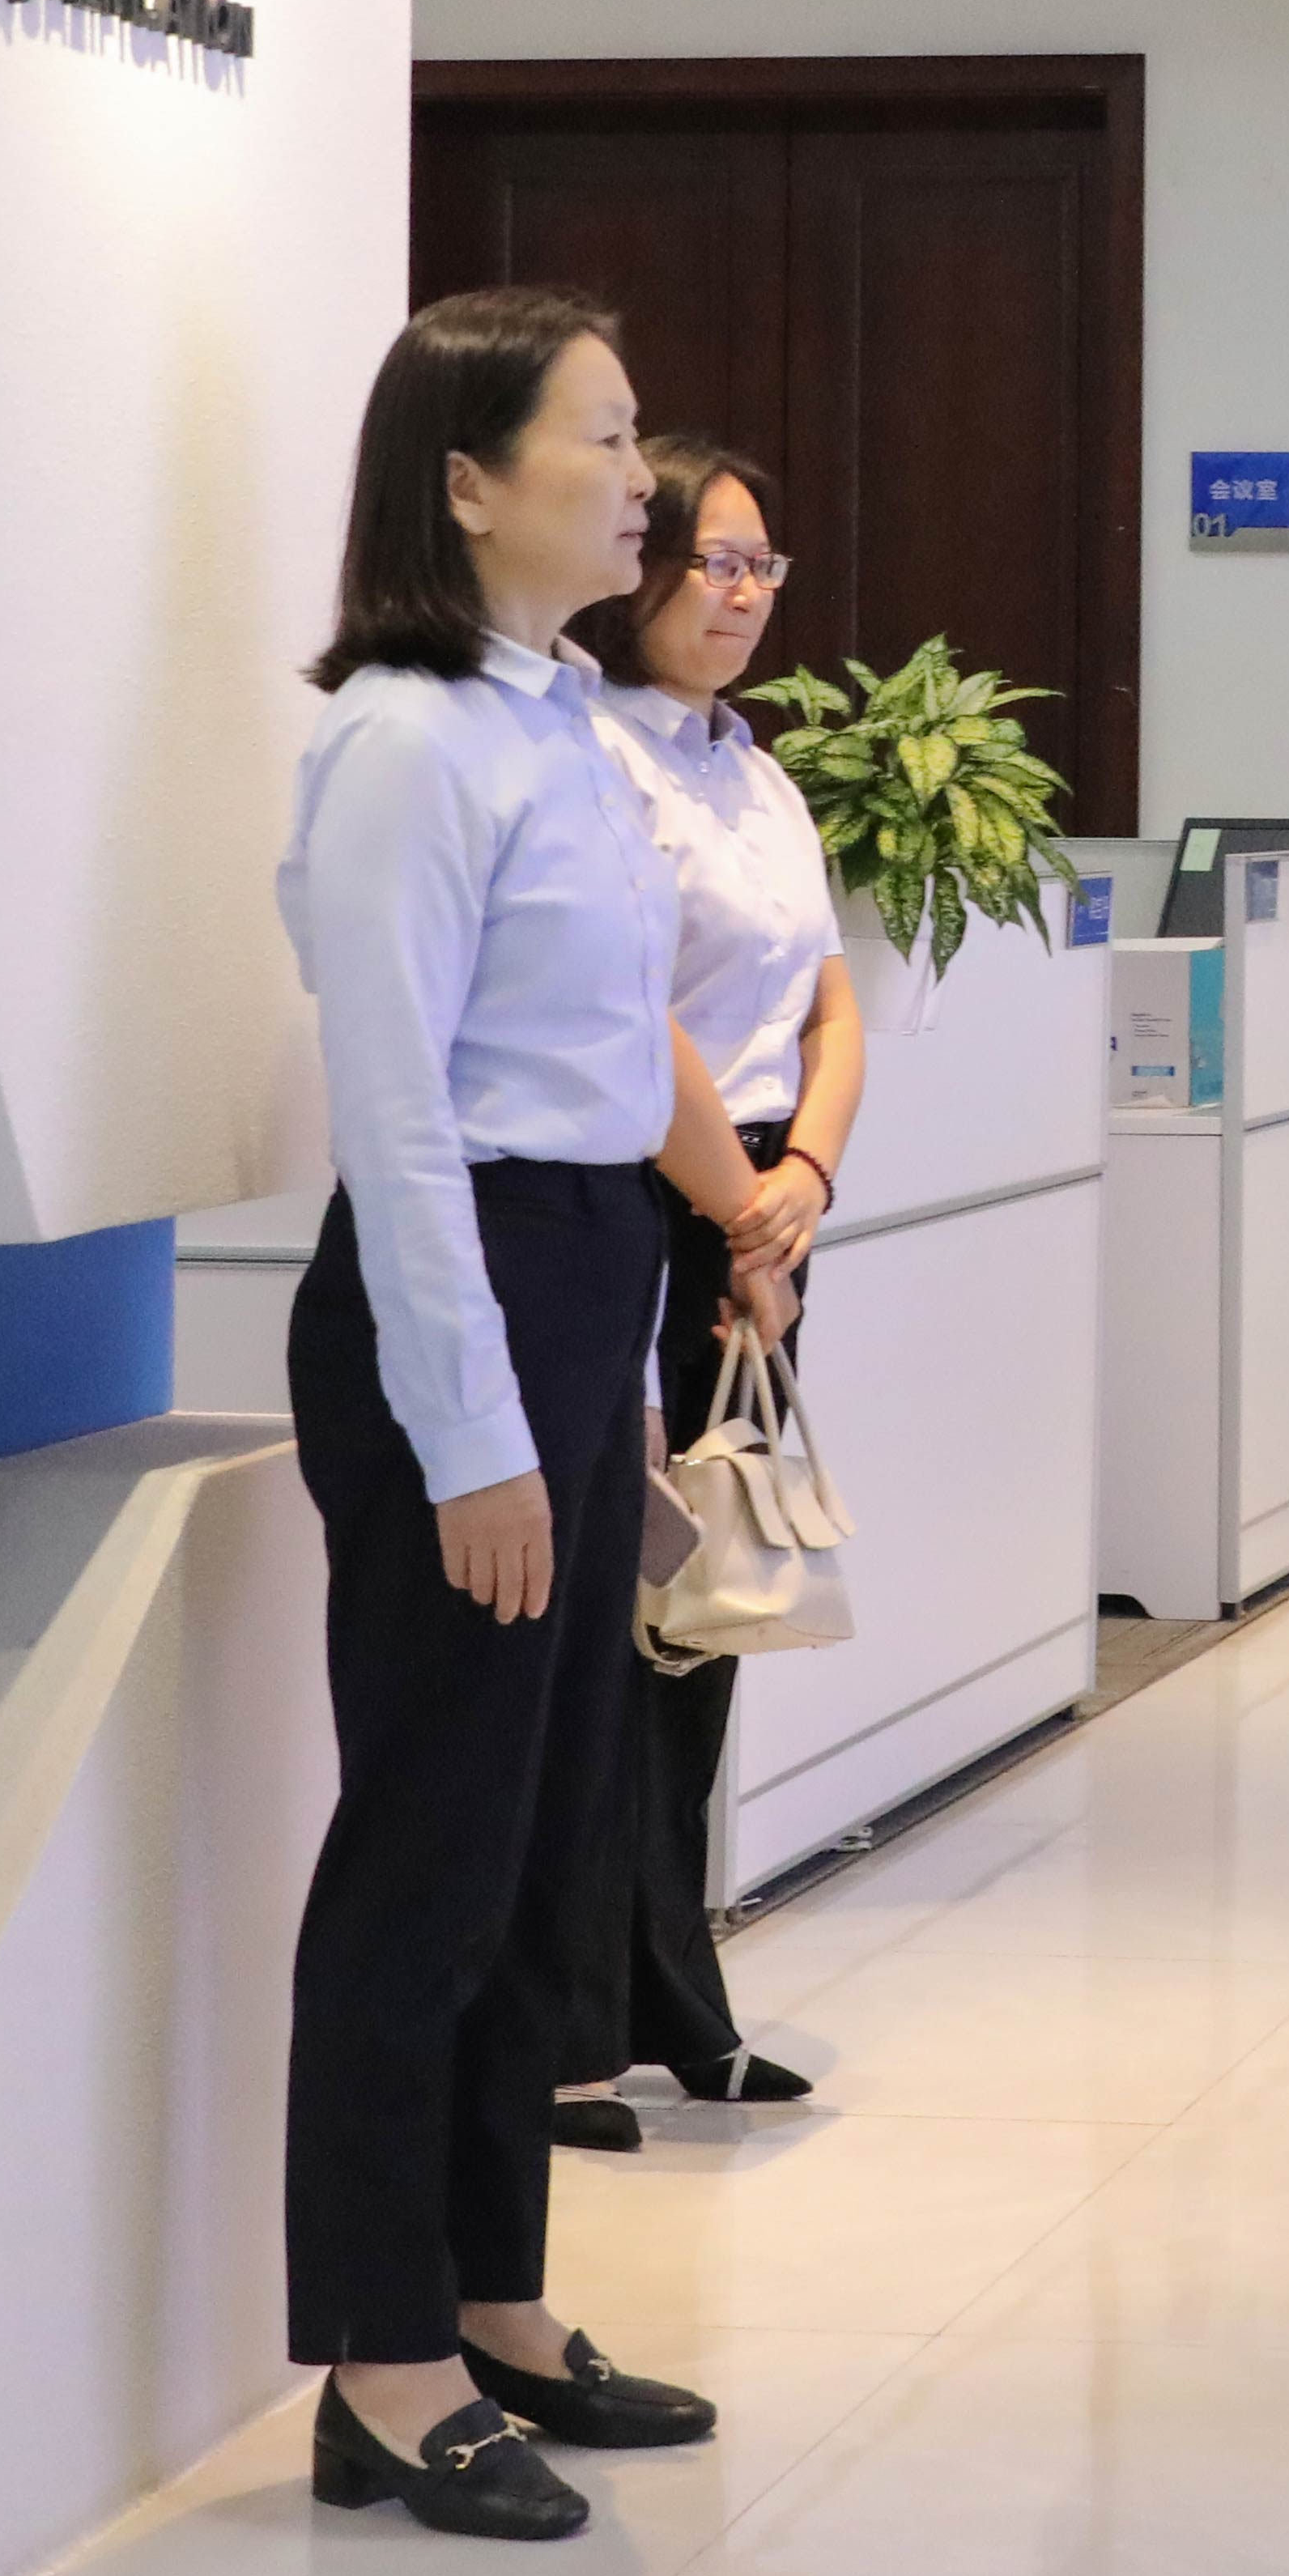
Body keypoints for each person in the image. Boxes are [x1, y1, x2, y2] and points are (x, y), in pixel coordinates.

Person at [274, 289, 793, 2539]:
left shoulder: (564, 716)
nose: (640, 478)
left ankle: (495, 2293)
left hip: (587, 1276)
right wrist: (474, 1433)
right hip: (460, 1298)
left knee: (548, 1833)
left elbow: (615, 1051)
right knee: (433, 1844)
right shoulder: (405, 741)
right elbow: (397, 1119)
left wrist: (706, 1252)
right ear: (467, 483)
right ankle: (381, 2361)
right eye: (598, 435)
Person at [548, 434, 857, 2144]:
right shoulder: (589, 751)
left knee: (708, 1618)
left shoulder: (758, 772)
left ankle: (679, 1996)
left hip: (760, 1210)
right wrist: (741, 1214)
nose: (741, 594)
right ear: (638, 564)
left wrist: (804, 1180)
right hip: (650, 1200)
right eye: (712, 560)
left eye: (762, 566)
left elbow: (830, 1000)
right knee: (615, 1618)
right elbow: (628, 1006)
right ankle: (566, 2029)